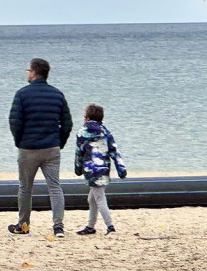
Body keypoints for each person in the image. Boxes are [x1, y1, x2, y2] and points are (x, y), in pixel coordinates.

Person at [7, 58, 73, 237]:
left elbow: (15, 122)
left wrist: (19, 141)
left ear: (34, 72)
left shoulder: (22, 94)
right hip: (51, 147)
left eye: (29, 70)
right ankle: (58, 226)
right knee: (55, 187)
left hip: (28, 148)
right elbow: (67, 123)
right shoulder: (57, 95)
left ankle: (24, 224)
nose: (27, 73)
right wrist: (60, 142)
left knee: (25, 187)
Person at [73, 103, 127, 235]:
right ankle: (90, 226)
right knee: (92, 199)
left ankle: (110, 227)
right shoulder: (106, 132)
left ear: (87, 118)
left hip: (91, 171)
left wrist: (78, 169)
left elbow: (79, 153)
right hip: (103, 170)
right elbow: (114, 151)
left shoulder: (82, 132)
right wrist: (121, 168)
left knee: (100, 199)